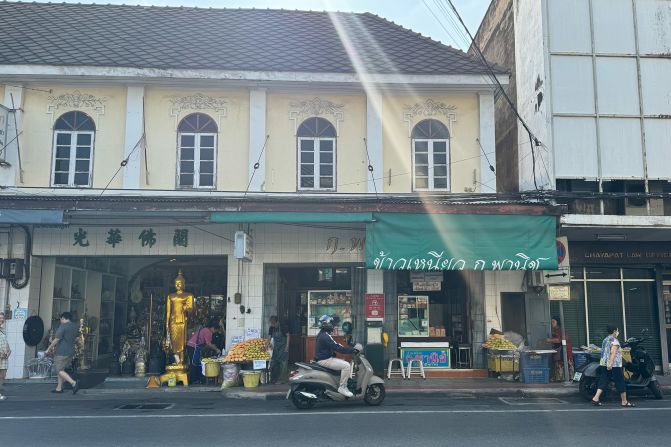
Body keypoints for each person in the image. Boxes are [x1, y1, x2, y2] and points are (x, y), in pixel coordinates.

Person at [591, 325, 635, 407]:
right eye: (617, 330)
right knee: (620, 381)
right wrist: (610, 363)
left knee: (604, 380)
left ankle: (596, 398)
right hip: (614, 365)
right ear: (614, 331)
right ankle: (624, 401)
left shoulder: (605, 340)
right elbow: (613, 352)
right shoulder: (615, 341)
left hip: (603, 363)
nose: (618, 332)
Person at [314, 315, 357, 397]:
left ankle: (340, 384)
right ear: (327, 324)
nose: (333, 326)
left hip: (324, 358)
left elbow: (333, 346)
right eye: (332, 324)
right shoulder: (325, 336)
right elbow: (337, 347)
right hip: (324, 360)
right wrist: (351, 350)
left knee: (343, 363)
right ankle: (342, 387)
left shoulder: (323, 334)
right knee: (346, 366)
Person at [45, 312, 80, 395]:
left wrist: (48, 349)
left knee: (58, 370)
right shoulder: (75, 326)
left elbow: (56, 339)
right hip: (71, 352)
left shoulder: (63, 326)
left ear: (63, 318)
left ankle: (73, 383)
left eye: (61, 319)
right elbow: (78, 338)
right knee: (61, 370)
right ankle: (59, 388)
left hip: (61, 352)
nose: (60, 321)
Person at [186, 318, 221, 384]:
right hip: (193, 347)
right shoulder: (208, 332)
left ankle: (195, 379)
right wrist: (216, 349)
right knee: (194, 363)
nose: (215, 332)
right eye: (215, 330)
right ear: (213, 328)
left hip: (191, 346)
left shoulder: (204, 329)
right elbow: (208, 343)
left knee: (194, 362)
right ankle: (192, 380)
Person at [546, 316, 574, 382]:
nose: (552, 323)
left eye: (553, 322)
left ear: (557, 322)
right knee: (558, 363)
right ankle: (559, 378)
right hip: (559, 350)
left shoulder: (561, 330)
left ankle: (569, 378)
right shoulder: (555, 330)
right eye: (551, 322)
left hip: (565, 349)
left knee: (566, 362)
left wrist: (549, 340)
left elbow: (559, 340)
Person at [268, 316, 290, 384]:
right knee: (274, 363)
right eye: (272, 323)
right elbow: (269, 337)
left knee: (283, 364)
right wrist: (266, 345)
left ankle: (283, 379)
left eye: (274, 323)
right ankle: (274, 378)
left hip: (283, 348)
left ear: (277, 322)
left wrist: (287, 346)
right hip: (276, 348)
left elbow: (288, 336)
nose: (273, 325)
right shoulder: (271, 328)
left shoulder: (283, 327)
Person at [0, 311, 11, 401]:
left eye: (2, 318)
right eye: (0, 318)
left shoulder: (2, 329)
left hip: (4, 357)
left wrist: (8, 351)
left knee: (3, 375)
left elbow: (5, 342)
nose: (2, 320)